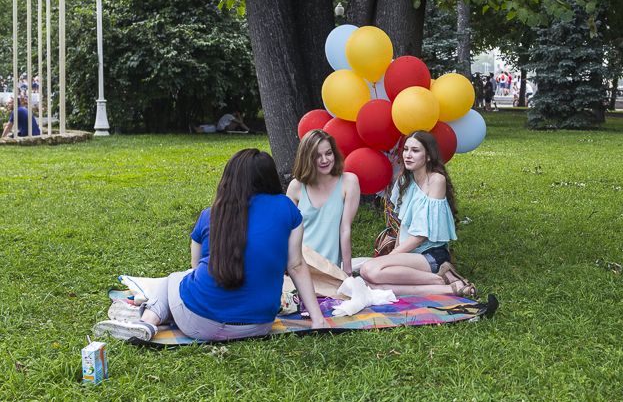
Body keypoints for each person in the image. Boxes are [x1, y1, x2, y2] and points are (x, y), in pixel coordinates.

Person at [93, 149, 326, 341]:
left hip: (198, 324)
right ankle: (154, 316)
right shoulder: (287, 208)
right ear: (270, 177)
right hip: (258, 326)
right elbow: (296, 265)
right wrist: (318, 320)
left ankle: (147, 323)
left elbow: (195, 270)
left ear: (230, 178)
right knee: (182, 287)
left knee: (173, 280)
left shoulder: (210, 214)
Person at [360, 131, 476, 297]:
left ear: (428, 156)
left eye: (415, 151)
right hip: (410, 253)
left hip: (430, 255)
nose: (408, 155)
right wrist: (396, 255)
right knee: (369, 283)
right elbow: (403, 224)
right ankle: (446, 287)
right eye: (406, 149)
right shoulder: (404, 181)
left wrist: (390, 258)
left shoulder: (436, 180)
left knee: (369, 269)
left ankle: (439, 276)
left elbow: (421, 235)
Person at [286, 129, 361, 274]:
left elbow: (345, 229)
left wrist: (347, 271)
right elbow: (288, 232)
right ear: (307, 158)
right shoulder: (296, 187)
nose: (325, 160)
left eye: (328, 153)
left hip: (330, 269)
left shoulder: (349, 182)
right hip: (301, 266)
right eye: (317, 156)